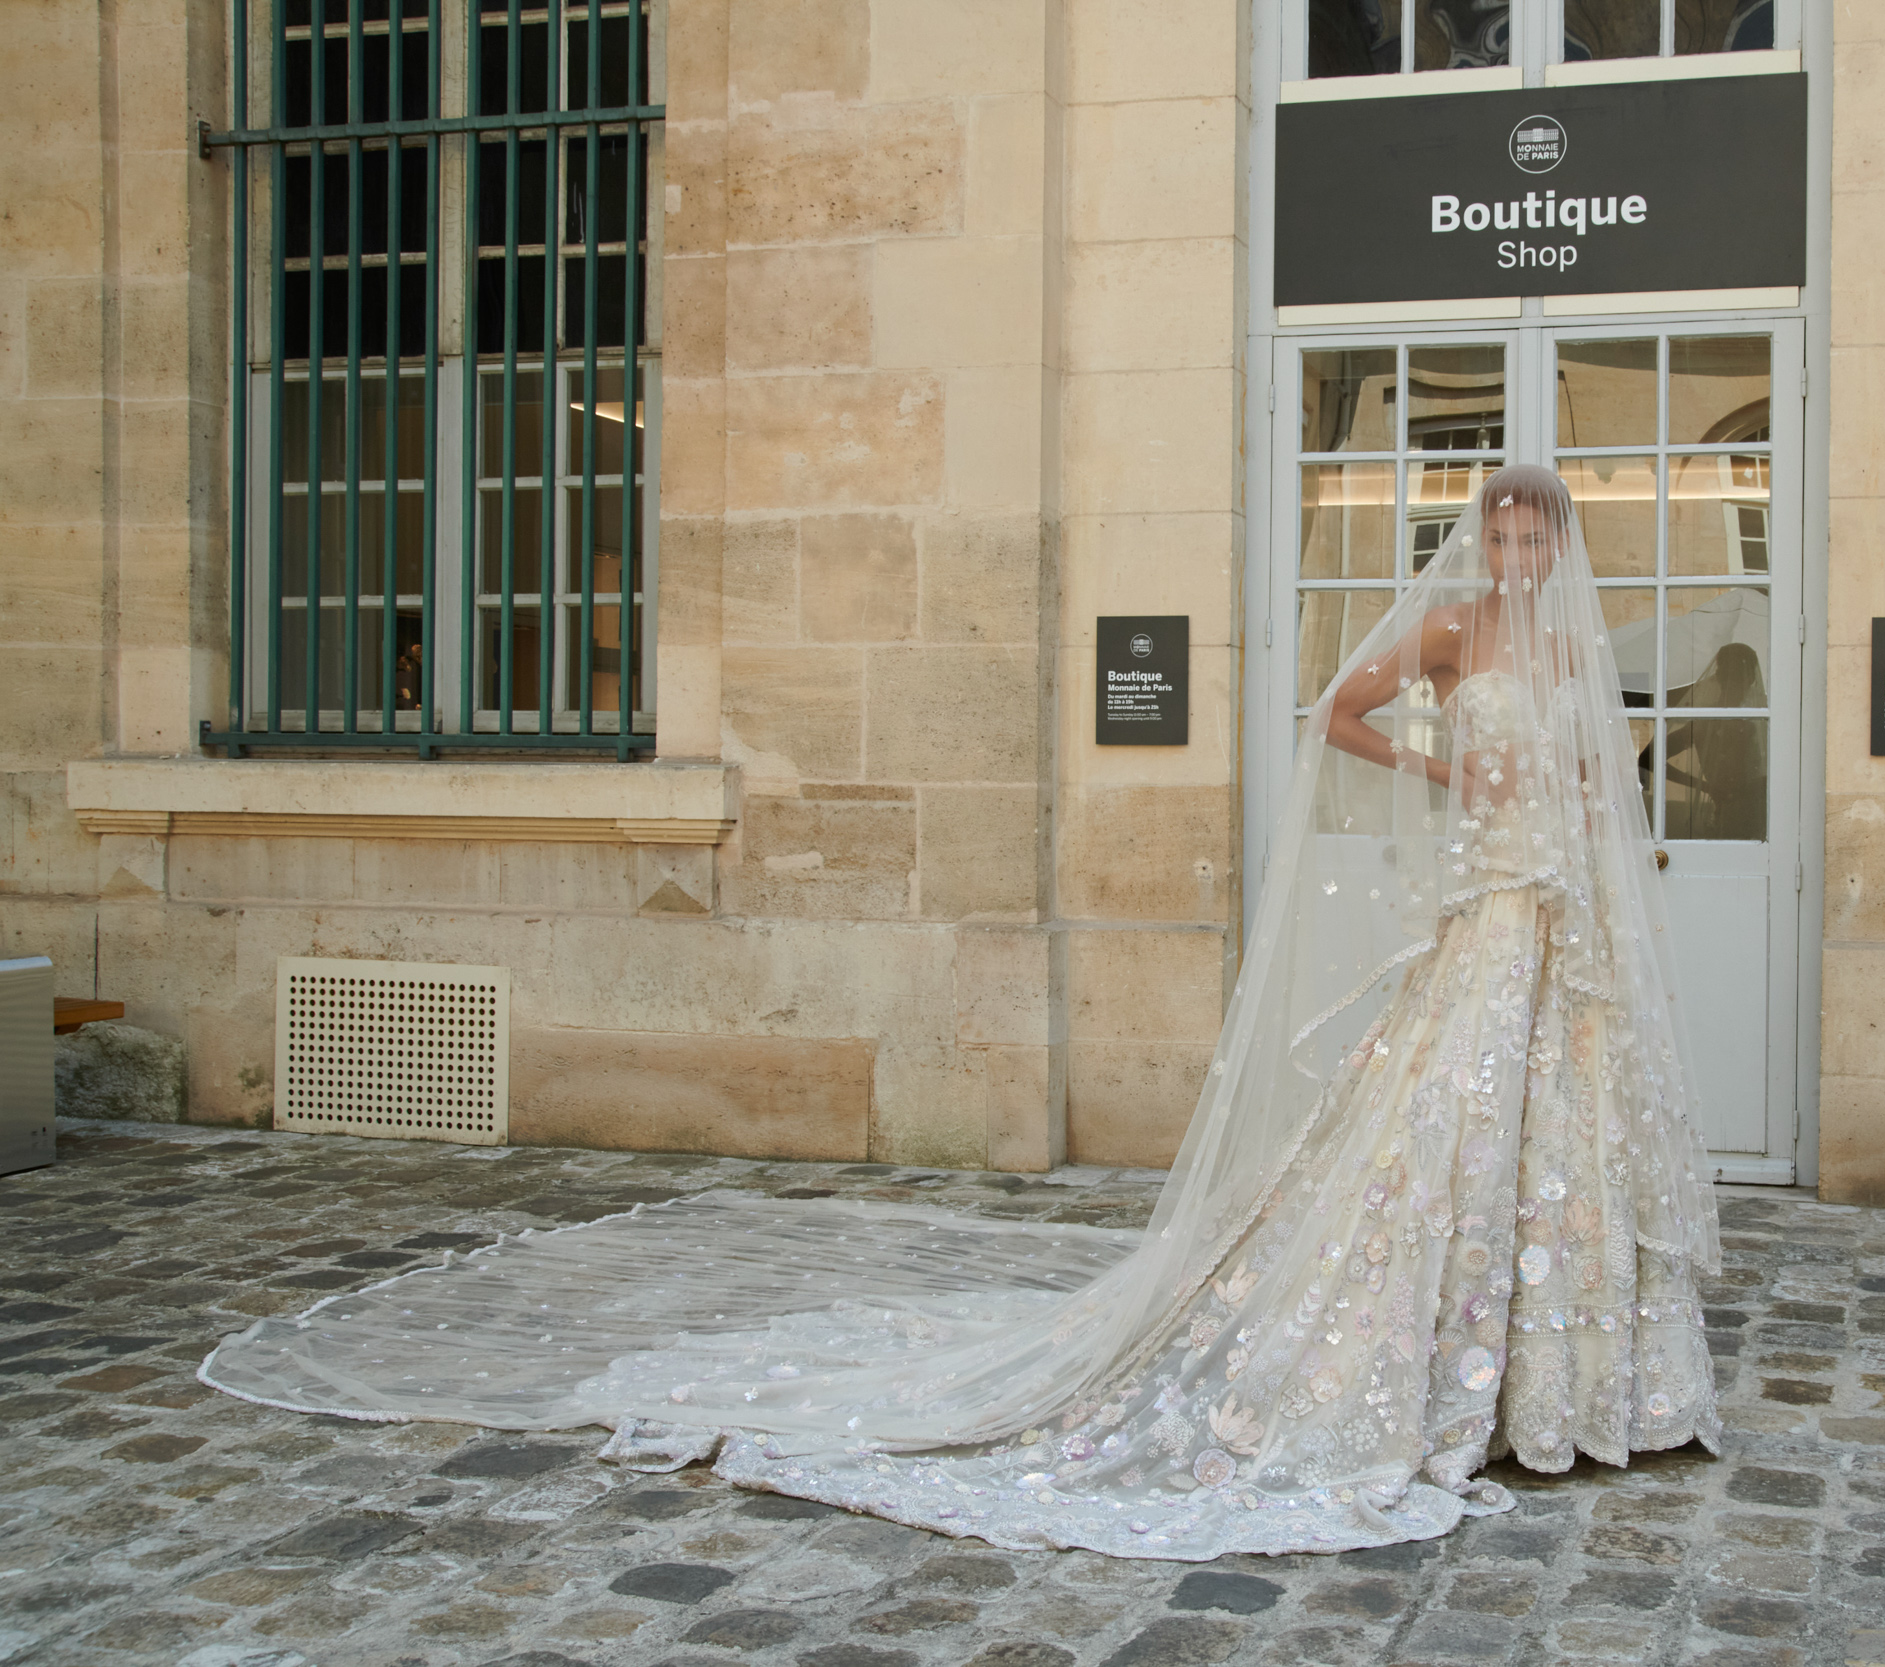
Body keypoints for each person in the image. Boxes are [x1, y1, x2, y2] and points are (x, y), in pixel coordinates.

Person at [202, 465, 1720, 1561]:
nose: (1518, 552)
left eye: (1538, 534)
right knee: (1434, 1130)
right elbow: (1338, 716)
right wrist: (1451, 775)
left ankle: (1555, 1376)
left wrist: (1596, 836)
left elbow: (1599, 778)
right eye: (1504, 531)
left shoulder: (1577, 647)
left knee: (1555, 1134)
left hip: (1556, 923)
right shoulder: (1450, 635)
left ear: (1562, 546)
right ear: (1484, 539)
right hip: (1478, 910)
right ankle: (1425, 1361)